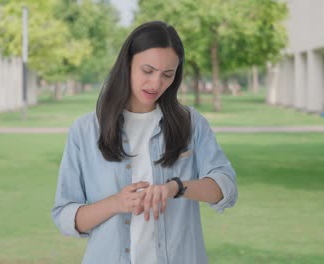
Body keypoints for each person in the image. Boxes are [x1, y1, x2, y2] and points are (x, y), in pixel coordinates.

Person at [52, 21, 237, 264]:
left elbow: (225, 188)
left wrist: (176, 187)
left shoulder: (191, 123)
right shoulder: (84, 131)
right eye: (147, 70)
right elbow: (65, 216)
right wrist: (116, 203)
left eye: (167, 75)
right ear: (127, 64)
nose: (156, 84)